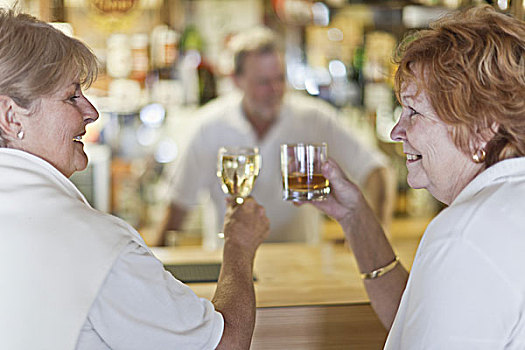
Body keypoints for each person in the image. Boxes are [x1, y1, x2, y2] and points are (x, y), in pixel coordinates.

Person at [0, 9, 269, 349]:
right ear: (10, 116)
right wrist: (240, 246)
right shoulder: (93, 244)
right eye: (71, 97)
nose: (91, 112)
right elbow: (224, 345)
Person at [311, 5, 525, 348]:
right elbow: (425, 318)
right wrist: (355, 217)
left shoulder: (464, 234)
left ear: (483, 128)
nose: (397, 130)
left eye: (414, 111)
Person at [158, 27, 394, 248]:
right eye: (263, 82)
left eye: (279, 79)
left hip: (300, 264)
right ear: (236, 80)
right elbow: (177, 206)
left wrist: (375, 236)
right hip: (229, 269)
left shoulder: (314, 119)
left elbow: (376, 170)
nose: (274, 90)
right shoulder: (208, 127)